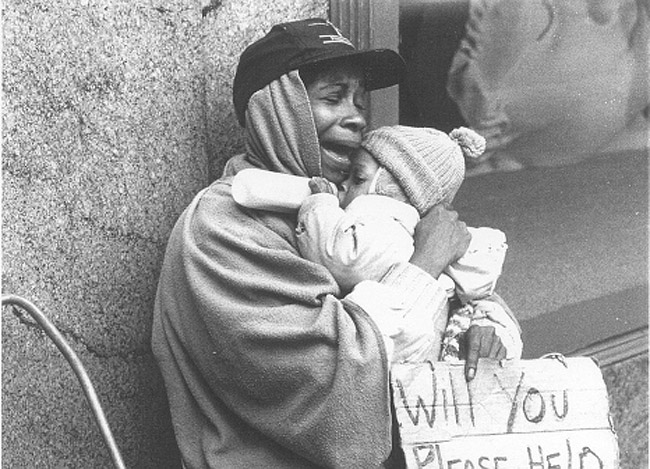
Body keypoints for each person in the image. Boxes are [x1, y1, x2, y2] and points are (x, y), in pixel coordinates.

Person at [151, 18, 521, 469]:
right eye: (332, 98)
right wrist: (424, 266)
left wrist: (482, 329)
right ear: (278, 110)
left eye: (360, 101)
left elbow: (474, 296)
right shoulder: (223, 227)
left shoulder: (355, 203)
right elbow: (331, 375)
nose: (357, 117)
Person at [293, 125, 521, 363]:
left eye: (358, 178)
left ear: (392, 192)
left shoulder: (382, 228)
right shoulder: (428, 242)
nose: (343, 185)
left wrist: (319, 204)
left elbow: (339, 256)